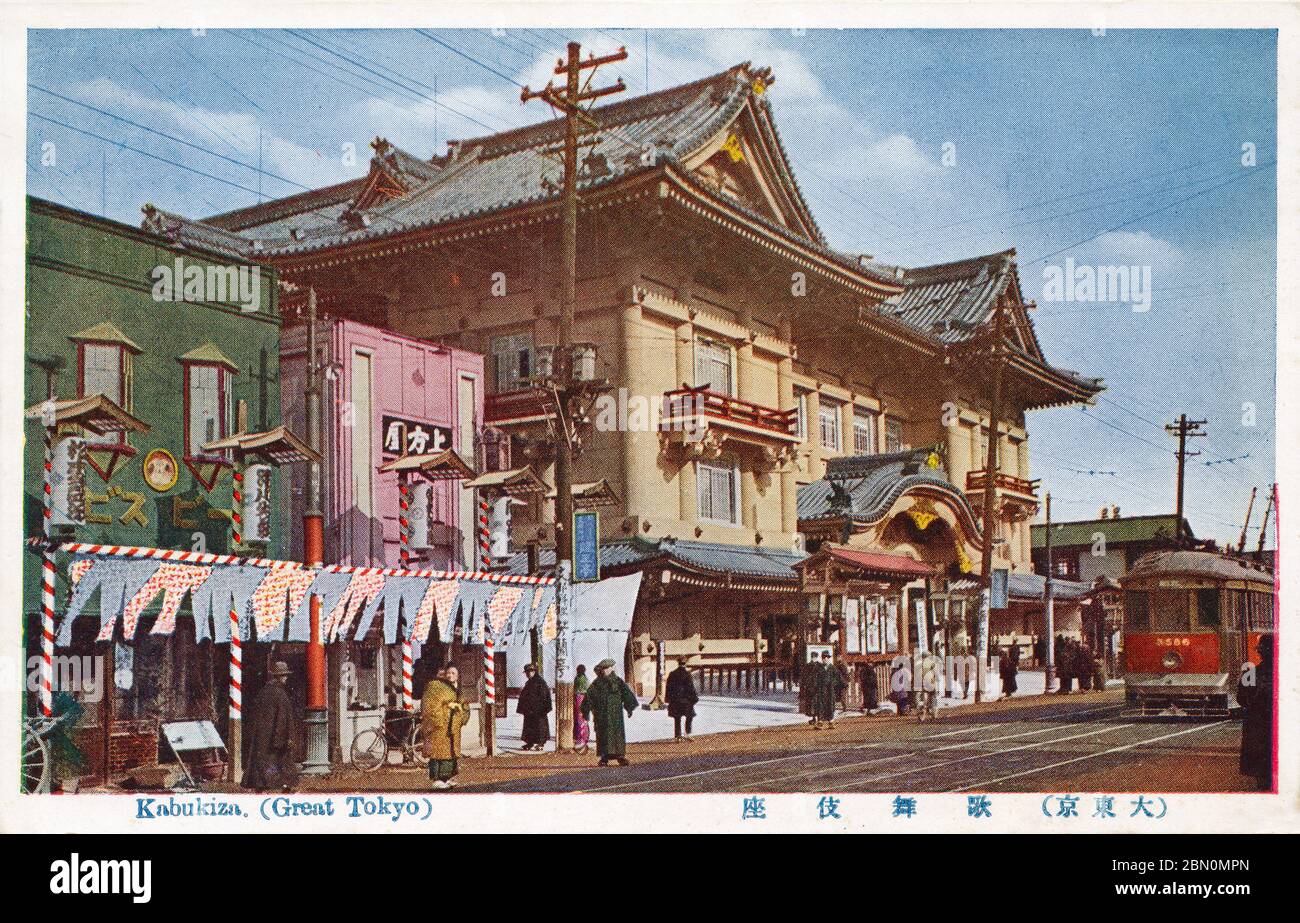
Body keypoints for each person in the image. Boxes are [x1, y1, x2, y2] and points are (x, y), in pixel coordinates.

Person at [243, 661, 298, 792]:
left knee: (263, 761)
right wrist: (284, 737)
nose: (286, 678)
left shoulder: (264, 691)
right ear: (280, 677)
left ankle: (260, 785)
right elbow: (283, 718)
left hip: (262, 735)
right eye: (284, 675)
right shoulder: (281, 694)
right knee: (281, 761)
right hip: (276, 735)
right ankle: (285, 786)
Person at [580, 659, 639, 766]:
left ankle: (620, 756)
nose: (606, 671)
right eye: (604, 669)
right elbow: (589, 697)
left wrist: (629, 707)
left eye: (608, 668)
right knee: (603, 735)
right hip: (601, 715)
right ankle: (604, 757)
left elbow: (627, 694)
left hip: (616, 715)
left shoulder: (618, 681)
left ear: (611, 668)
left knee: (617, 735)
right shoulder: (597, 683)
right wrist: (586, 711)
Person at [422, 666, 470, 789]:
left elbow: (464, 704)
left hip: (452, 726)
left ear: (457, 675)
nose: (449, 675)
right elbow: (431, 706)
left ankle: (447, 778)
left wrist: (461, 718)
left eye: (453, 673)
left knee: (450, 753)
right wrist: (440, 721)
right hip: (442, 726)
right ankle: (437, 779)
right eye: (447, 673)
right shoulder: (435, 686)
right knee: (439, 753)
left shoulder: (455, 688)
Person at [1237, 635, 1275, 791]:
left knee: (1262, 774)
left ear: (1260, 653)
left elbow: (1241, 699)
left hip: (1258, 726)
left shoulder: (1250, 674)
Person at [516, 663, 552, 751]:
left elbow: (544, 696)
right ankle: (530, 742)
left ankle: (541, 744)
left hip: (539, 710)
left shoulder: (540, 682)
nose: (528, 674)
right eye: (527, 672)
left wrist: (542, 708)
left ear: (534, 671)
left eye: (530, 671)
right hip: (530, 710)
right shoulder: (530, 682)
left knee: (540, 727)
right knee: (529, 727)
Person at [666, 659, 699, 741]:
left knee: (677, 718)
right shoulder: (687, 674)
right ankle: (687, 733)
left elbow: (668, 687)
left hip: (675, 700)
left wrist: (668, 698)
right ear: (685, 664)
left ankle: (678, 736)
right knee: (689, 716)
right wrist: (694, 698)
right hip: (686, 700)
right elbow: (690, 687)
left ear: (678, 663)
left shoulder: (672, 674)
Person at [811, 651, 845, 729]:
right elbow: (815, 678)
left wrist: (833, 683)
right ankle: (820, 722)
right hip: (821, 690)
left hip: (830, 690)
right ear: (822, 658)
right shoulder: (818, 668)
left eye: (827, 657)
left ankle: (831, 722)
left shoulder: (833, 668)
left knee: (830, 705)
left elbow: (838, 679)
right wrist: (816, 686)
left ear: (829, 658)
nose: (825, 659)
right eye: (824, 657)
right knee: (820, 705)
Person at [799, 654, 822, 723]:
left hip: (817, 687)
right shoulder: (808, 666)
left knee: (818, 703)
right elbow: (804, 676)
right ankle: (814, 718)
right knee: (812, 704)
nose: (813, 658)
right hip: (810, 688)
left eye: (814, 657)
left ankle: (819, 718)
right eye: (812, 657)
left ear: (816, 658)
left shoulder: (819, 666)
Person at [573, 664, 591, 754]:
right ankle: (582, 738)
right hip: (581, 701)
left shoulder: (580, 679)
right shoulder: (583, 678)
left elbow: (582, 691)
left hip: (581, 701)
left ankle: (582, 738)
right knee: (582, 721)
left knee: (581, 721)